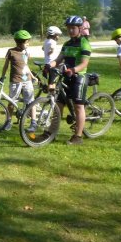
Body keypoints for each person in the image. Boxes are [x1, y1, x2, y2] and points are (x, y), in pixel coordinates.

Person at [47, 16, 92, 145]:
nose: (71, 31)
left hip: (79, 77)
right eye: (69, 28)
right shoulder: (67, 44)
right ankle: (52, 132)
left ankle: (78, 137)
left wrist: (73, 70)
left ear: (79, 28)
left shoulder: (84, 43)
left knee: (78, 106)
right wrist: (49, 65)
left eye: (73, 28)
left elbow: (84, 64)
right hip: (66, 76)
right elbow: (58, 59)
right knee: (58, 105)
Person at [0, 30, 38, 131]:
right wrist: (2, 76)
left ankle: (33, 122)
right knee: (11, 102)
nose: (28, 44)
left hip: (26, 80)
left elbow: (26, 65)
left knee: (31, 102)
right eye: (27, 42)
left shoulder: (27, 52)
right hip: (15, 81)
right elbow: (6, 65)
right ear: (20, 42)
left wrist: (32, 76)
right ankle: (8, 121)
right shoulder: (11, 51)